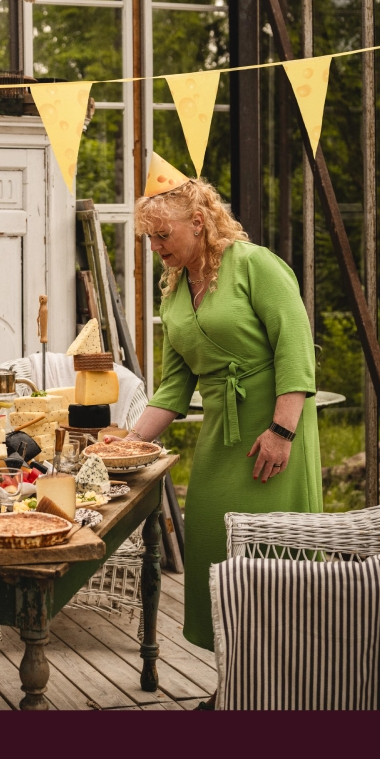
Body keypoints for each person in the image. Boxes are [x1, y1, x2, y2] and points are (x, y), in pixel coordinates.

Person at [125, 160, 322, 704]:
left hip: (274, 430)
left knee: (272, 557)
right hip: (222, 436)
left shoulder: (254, 265)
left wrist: (282, 431)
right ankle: (236, 684)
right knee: (216, 552)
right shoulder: (174, 292)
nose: (156, 247)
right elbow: (173, 386)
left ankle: (288, 688)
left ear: (199, 221)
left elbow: (295, 349)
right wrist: (131, 440)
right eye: (149, 238)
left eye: (163, 235)